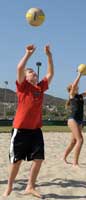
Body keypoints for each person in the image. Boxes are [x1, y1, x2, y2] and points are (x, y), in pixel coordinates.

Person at [3, 44, 54, 198]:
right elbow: (20, 68)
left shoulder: (40, 88)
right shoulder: (22, 87)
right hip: (20, 129)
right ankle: (10, 186)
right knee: (16, 162)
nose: (34, 74)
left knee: (39, 159)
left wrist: (49, 56)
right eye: (30, 72)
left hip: (35, 130)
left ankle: (30, 186)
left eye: (34, 72)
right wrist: (27, 53)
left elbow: (50, 73)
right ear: (25, 78)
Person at [63, 72, 86, 167]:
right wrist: (79, 75)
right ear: (70, 90)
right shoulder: (72, 95)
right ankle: (75, 163)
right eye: (73, 86)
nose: (76, 86)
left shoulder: (80, 96)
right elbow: (74, 85)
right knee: (80, 140)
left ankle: (63, 157)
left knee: (73, 141)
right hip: (73, 119)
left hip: (79, 120)